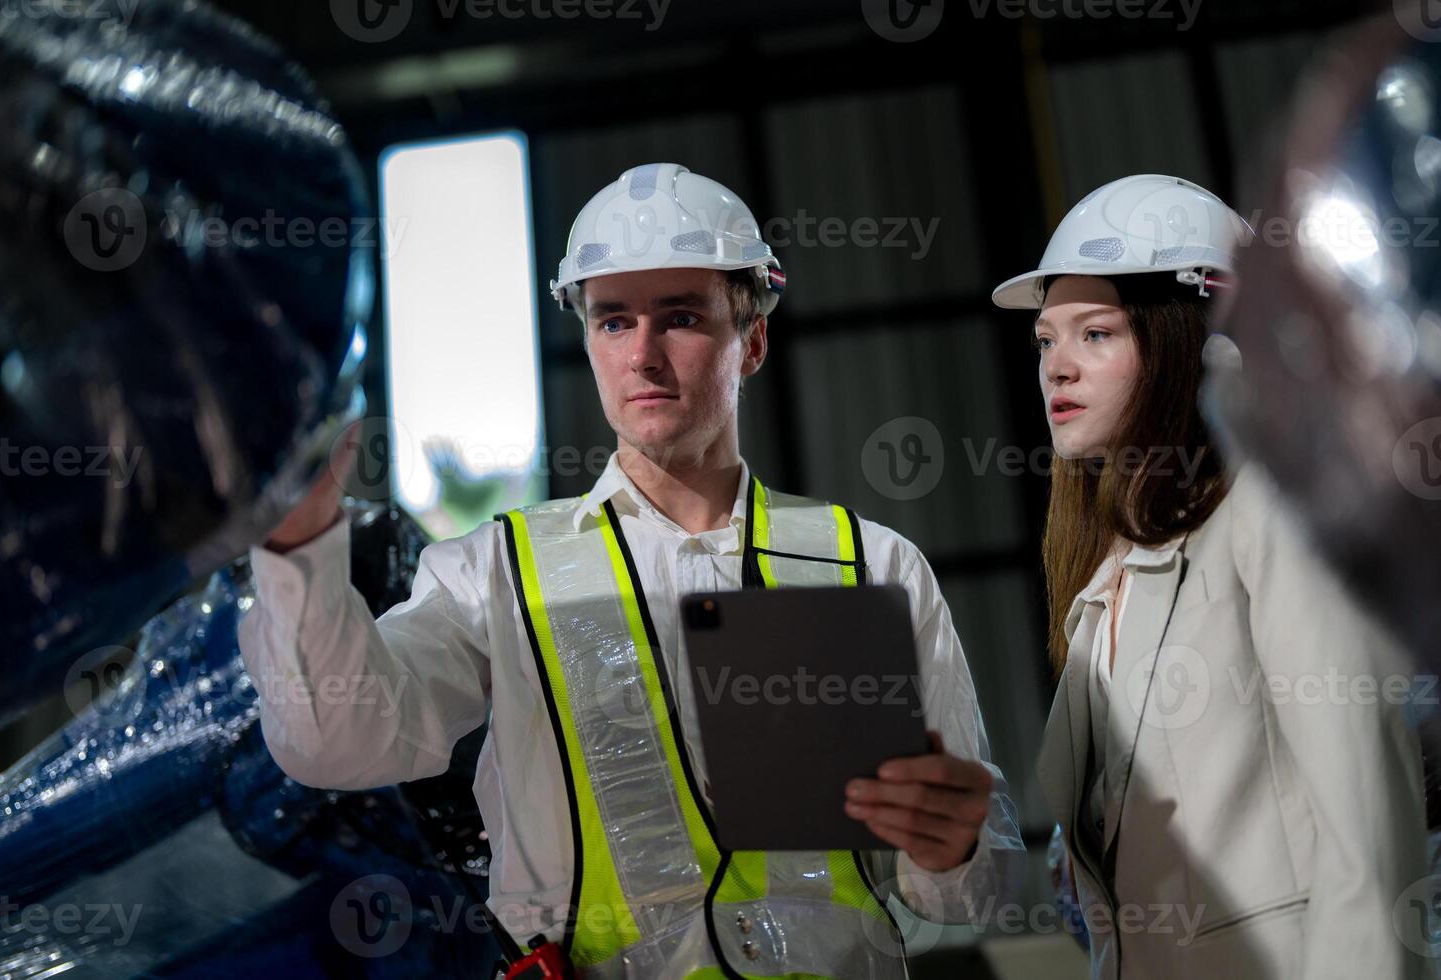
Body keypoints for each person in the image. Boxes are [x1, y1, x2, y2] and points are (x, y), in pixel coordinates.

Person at [240, 163, 1024, 978]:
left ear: (751, 340)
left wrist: (956, 843)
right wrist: (297, 546)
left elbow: (975, 894)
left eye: (680, 317)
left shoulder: (873, 564)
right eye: (614, 322)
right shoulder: (494, 574)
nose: (643, 354)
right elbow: (336, 744)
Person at [992, 173, 1429, 978]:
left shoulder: (1268, 520)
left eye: (1096, 334)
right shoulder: (1108, 582)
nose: (1057, 367)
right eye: (1046, 340)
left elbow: (1366, 822)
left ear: (1186, 338)